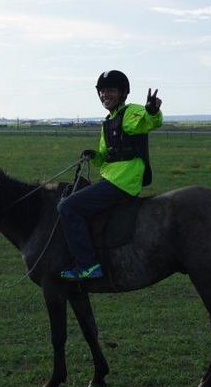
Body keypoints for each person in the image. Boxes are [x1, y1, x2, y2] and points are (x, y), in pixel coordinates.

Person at [58, 70, 163, 280]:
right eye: (102, 91)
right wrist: (94, 156)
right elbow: (106, 157)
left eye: (111, 91)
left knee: (68, 207)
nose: (106, 95)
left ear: (123, 93)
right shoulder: (108, 121)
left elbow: (147, 122)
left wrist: (152, 111)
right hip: (112, 178)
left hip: (124, 181)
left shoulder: (130, 112)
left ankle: (88, 265)